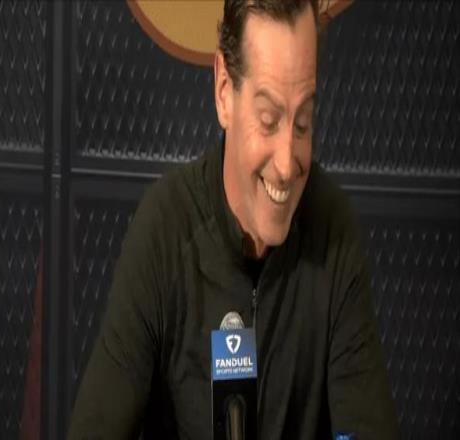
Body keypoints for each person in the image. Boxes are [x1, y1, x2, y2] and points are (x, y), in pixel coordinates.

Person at [67, 0, 399, 438]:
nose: (287, 164)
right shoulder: (165, 229)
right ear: (224, 90)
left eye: (303, 123)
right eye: (269, 120)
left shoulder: (333, 230)